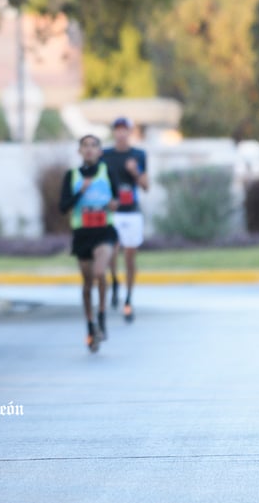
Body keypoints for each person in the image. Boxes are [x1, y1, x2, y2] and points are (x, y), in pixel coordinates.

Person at [59, 134, 119, 352]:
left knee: (99, 272)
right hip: (82, 232)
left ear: (100, 151)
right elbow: (63, 207)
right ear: (79, 151)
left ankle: (102, 314)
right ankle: (90, 324)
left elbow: (117, 198)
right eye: (85, 146)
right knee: (87, 284)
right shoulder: (72, 176)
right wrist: (80, 192)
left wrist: (115, 204)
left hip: (104, 231)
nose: (89, 149)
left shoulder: (107, 172)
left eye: (94, 145)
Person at [102, 117, 148, 323]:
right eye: (117, 130)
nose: (121, 133)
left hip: (132, 211)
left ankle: (128, 299)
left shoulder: (138, 155)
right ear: (113, 132)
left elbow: (146, 186)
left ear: (130, 132)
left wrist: (134, 171)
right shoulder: (105, 155)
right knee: (111, 252)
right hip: (113, 212)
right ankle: (114, 282)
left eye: (125, 130)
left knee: (130, 257)